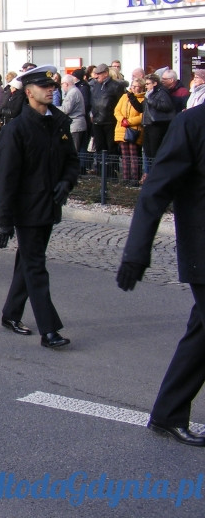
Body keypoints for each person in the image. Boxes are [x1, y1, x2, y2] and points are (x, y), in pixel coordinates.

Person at [116, 102, 205, 446]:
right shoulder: (192, 124)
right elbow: (156, 190)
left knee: (200, 336)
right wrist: (136, 253)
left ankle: (168, 413)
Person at [0, 65, 79, 348]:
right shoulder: (17, 129)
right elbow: (6, 180)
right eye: (44, 87)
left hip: (50, 205)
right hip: (27, 209)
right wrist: (4, 221)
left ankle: (11, 313)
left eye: (52, 86)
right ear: (29, 92)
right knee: (36, 267)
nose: (50, 90)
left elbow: (71, 160)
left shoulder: (58, 122)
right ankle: (49, 330)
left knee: (28, 262)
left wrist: (66, 182)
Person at [89, 63, 126, 169]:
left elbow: (121, 103)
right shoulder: (96, 85)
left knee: (111, 148)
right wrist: (92, 114)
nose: (96, 76)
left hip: (110, 121)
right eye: (95, 74)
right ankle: (101, 170)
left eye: (99, 74)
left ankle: (112, 170)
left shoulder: (116, 86)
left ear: (105, 73)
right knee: (99, 147)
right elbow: (93, 101)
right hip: (97, 121)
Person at [114, 77, 144, 186]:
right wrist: (122, 120)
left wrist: (129, 122)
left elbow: (142, 116)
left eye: (136, 86)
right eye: (133, 86)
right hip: (122, 128)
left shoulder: (143, 99)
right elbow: (117, 110)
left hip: (134, 130)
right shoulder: (124, 97)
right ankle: (125, 178)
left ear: (141, 88)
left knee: (134, 155)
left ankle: (135, 179)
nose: (134, 88)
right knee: (125, 156)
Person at [58, 73, 87, 153]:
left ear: (66, 84)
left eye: (62, 84)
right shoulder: (76, 91)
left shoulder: (72, 93)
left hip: (75, 125)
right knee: (80, 150)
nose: (61, 87)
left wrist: (53, 108)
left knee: (74, 150)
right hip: (79, 124)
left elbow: (65, 110)